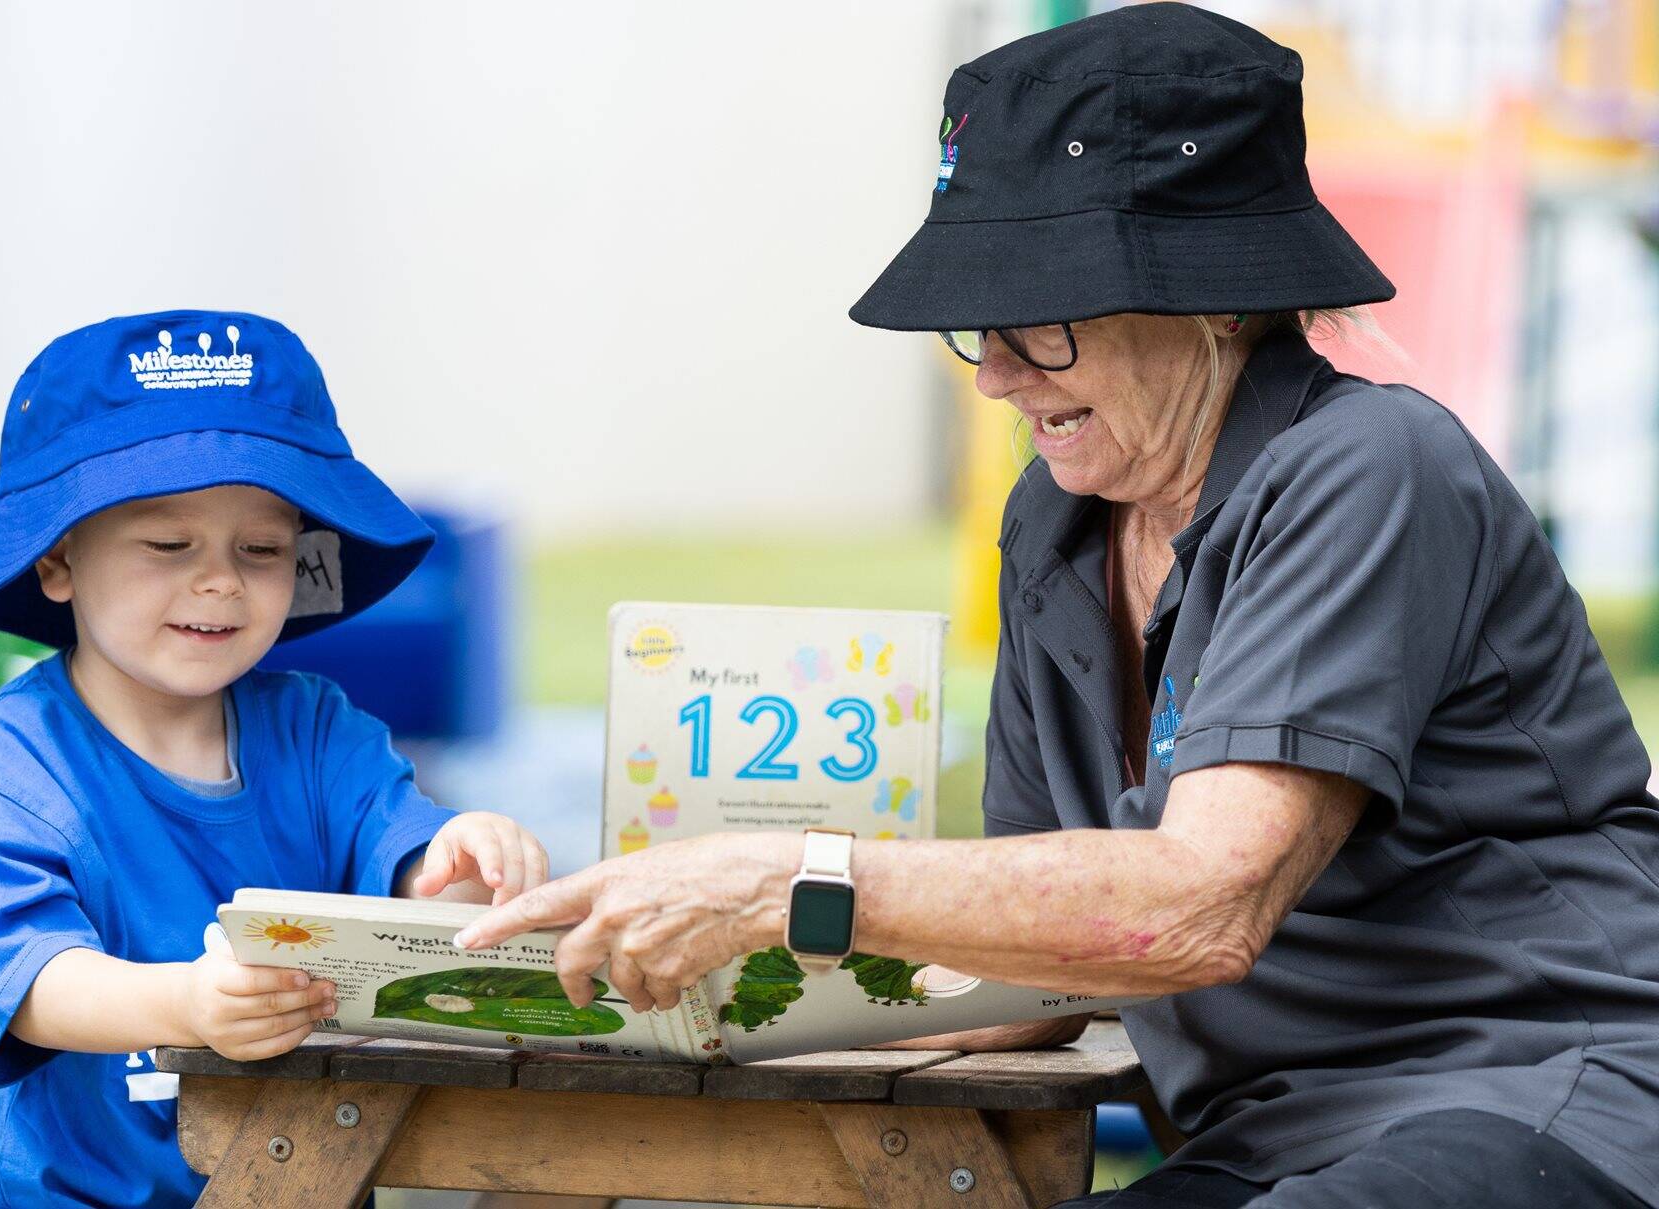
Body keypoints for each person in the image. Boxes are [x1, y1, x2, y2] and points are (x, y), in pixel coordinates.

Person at [456, 7, 1659, 1206]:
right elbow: (1043, 955)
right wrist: (666, 990)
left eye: (1043, 321)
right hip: (1280, 1136)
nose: (994, 375)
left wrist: (783, 883)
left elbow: (1202, 906)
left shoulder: (1369, 462)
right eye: (983, 326)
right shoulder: (1056, 517)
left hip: (1543, 1096)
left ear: (1219, 302)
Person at [0, 310, 551, 1207]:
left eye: (263, 548)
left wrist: (463, 857)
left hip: (307, 1177)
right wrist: (187, 1005)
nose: (221, 581)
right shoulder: (2, 774)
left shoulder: (318, 732)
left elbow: (409, 859)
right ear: (58, 559)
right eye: (169, 545)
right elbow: (29, 982)